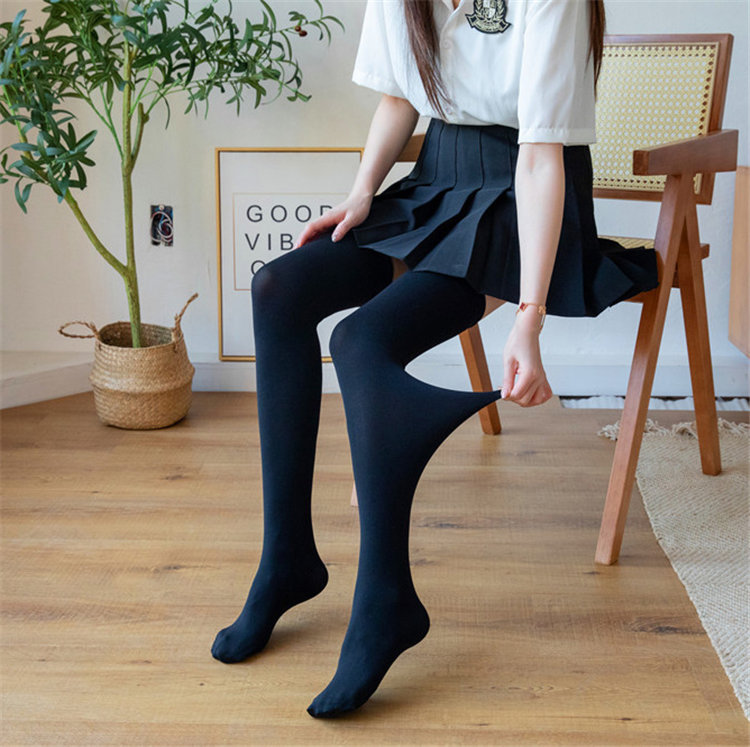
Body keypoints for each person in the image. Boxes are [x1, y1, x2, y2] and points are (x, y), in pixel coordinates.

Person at [211, 0, 658, 718]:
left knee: (361, 341)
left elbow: (541, 157)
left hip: (521, 197)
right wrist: (360, 195)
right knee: (279, 290)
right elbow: (400, 97)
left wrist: (529, 319)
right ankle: (286, 559)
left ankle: (386, 598)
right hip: (435, 181)